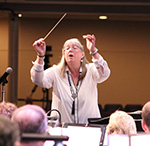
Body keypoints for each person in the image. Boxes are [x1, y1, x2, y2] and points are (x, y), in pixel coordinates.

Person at [30, 34, 111, 124]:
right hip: (61, 130)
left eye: (75, 48)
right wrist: (40, 56)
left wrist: (93, 51)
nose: (70, 50)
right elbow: (37, 79)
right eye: (67, 48)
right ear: (64, 54)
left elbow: (105, 74)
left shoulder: (91, 70)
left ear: (82, 54)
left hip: (89, 128)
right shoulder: (56, 72)